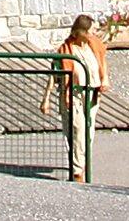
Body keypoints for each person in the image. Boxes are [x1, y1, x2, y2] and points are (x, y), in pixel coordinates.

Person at [40, 14, 108, 183]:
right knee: (78, 130)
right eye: (92, 30)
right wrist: (46, 98)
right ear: (82, 32)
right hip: (73, 95)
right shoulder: (66, 50)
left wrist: (105, 78)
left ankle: (81, 161)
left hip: (92, 94)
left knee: (89, 133)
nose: (95, 33)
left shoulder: (95, 45)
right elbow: (54, 75)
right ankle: (77, 171)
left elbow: (102, 61)